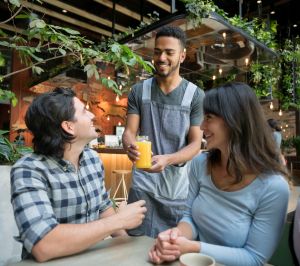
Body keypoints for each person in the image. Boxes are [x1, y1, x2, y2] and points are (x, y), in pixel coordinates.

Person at [149, 82, 290, 266]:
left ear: (234, 120)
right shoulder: (200, 164)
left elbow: (254, 258)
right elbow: (189, 216)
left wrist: (192, 247)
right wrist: (176, 237)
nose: (201, 126)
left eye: (208, 117)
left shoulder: (274, 187)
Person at [11, 87, 147, 262]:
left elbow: (104, 208)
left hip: (91, 259)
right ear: (68, 127)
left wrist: (130, 251)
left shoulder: (92, 159)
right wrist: (120, 220)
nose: (92, 116)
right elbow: (43, 244)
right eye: (84, 111)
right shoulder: (29, 170)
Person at [122, 25, 205, 237]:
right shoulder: (139, 91)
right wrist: (130, 145)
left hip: (176, 188)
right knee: (135, 246)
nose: (162, 57)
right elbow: (129, 132)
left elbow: (196, 144)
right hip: (143, 184)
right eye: (158, 51)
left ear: (183, 56)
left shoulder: (195, 96)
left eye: (169, 52)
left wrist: (168, 159)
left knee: (170, 247)